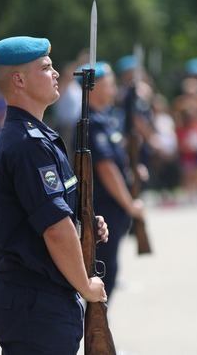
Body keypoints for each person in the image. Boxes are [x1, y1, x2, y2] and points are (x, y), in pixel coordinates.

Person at [0, 36, 109, 354]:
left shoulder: (35, 137)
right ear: (19, 80)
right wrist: (86, 286)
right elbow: (54, 228)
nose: (55, 74)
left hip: (34, 297)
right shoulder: (29, 144)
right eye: (46, 67)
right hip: (34, 299)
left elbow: (56, 213)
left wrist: (86, 222)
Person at [79, 61, 143, 300]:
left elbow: (115, 162)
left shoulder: (105, 118)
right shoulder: (92, 123)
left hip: (113, 207)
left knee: (111, 268)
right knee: (105, 270)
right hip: (105, 207)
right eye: (110, 83)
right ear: (94, 87)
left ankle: (100, 329)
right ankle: (96, 332)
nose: (114, 88)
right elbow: (105, 168)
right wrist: (129, 204)